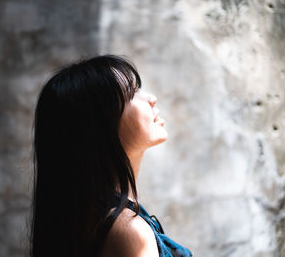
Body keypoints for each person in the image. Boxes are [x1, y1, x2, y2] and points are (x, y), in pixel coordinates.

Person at [31, 54, 193, 257]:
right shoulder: (129, 231)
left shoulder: (89, 219)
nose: (151, 99)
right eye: (131, 93)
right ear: (98, 125)